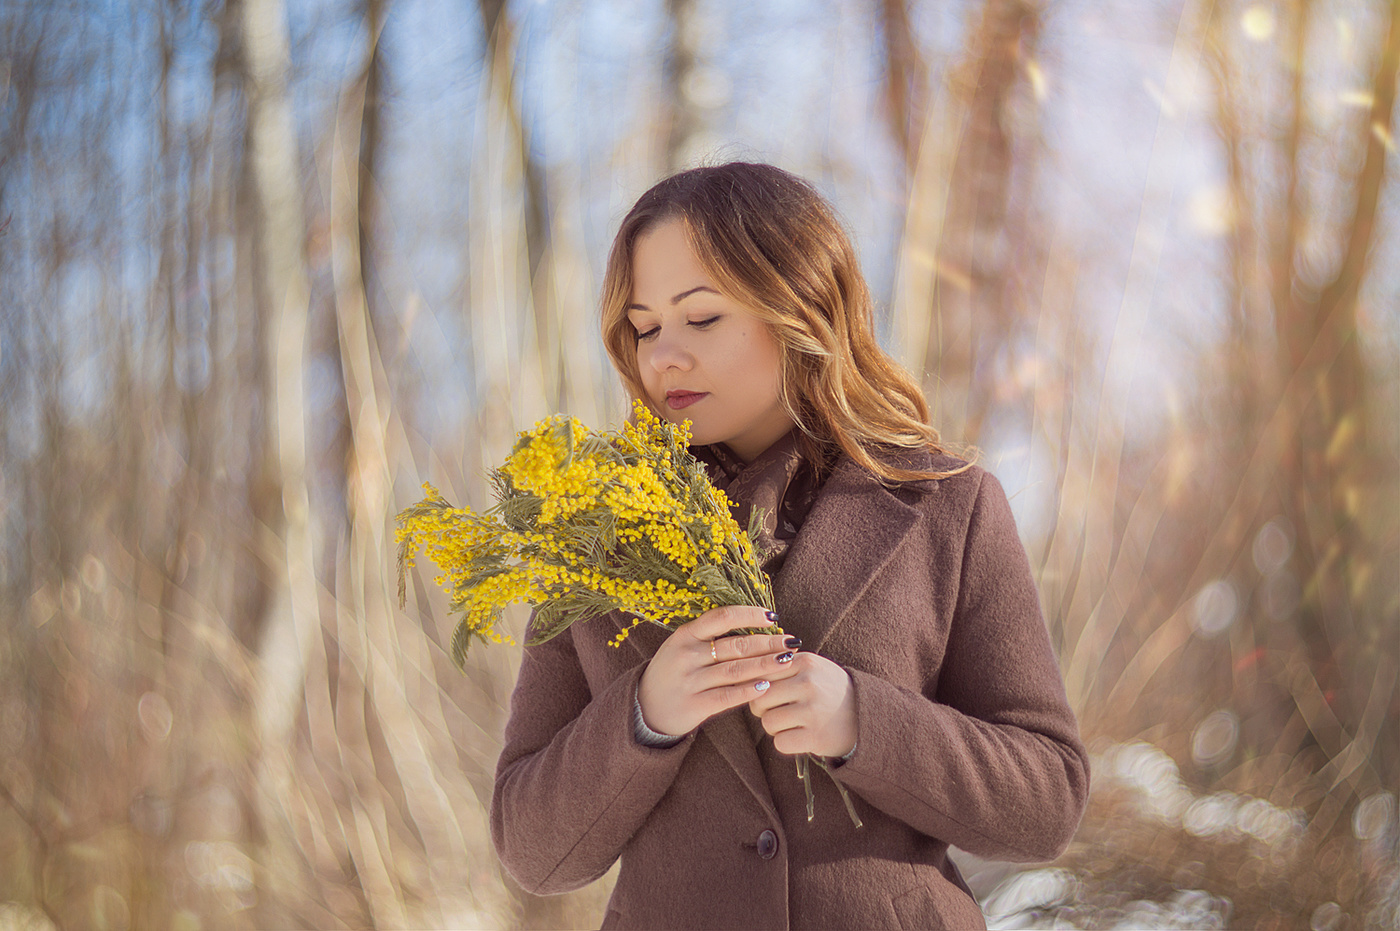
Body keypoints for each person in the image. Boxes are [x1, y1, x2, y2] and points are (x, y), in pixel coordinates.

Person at [490, 162, 1089, 930]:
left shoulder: (949, 506)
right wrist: (644, 715)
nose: (663, 356)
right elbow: (532, 848)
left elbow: (1047, 799)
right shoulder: (592, 532)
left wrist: (862, 722)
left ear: (800, 307)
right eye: (643, 328)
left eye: (700, 318)